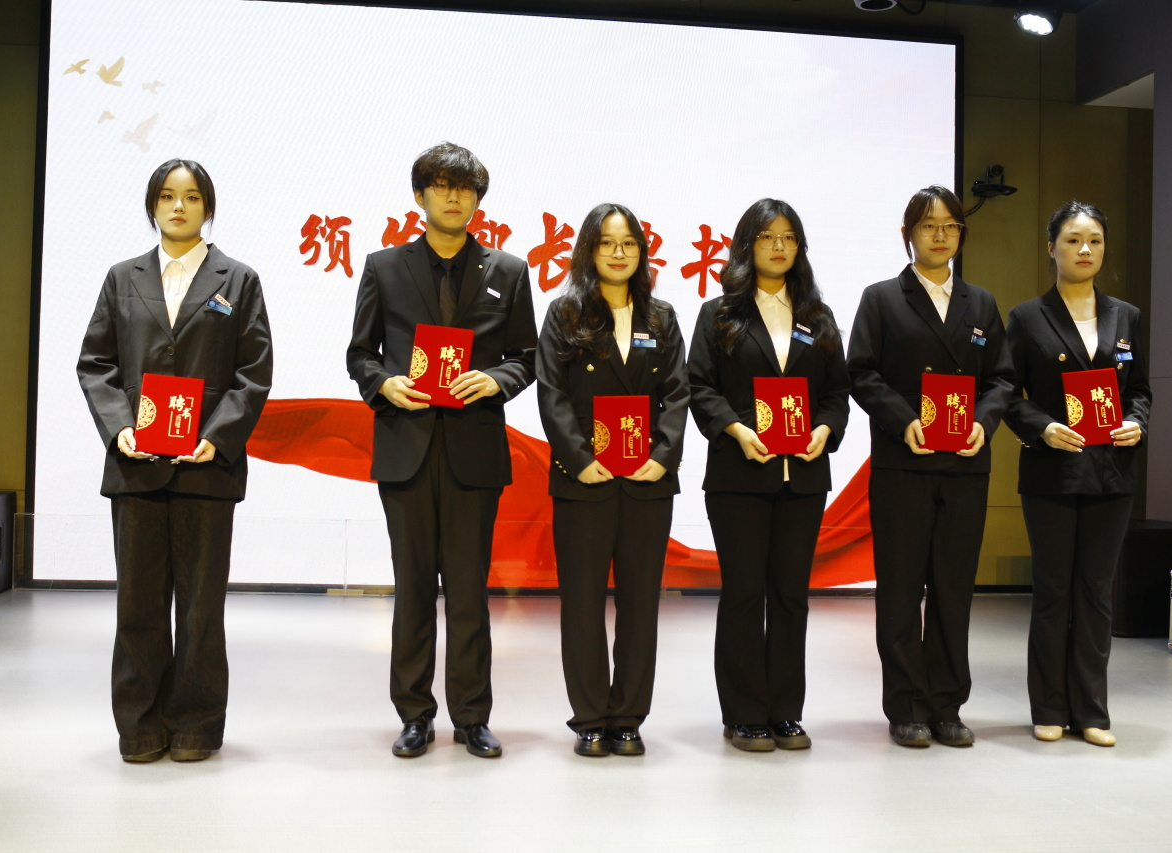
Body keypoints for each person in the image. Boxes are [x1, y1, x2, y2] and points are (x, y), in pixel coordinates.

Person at [77, 159, 273, 763]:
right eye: (166, 196)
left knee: (199, 608)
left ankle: (196, 726)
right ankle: (138, 727)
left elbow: (254, 371)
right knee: (137, 606)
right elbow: (96, 364)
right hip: (136, 466)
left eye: (190, 197)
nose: (178, 207)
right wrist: (120, 429)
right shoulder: (122, 277)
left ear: (207, 207)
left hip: (207, 468)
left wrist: (218, 436)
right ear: (152, 206)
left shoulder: (238, 279)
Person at [347, 142, 537, 759]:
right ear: (420, 196)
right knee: (412, 589)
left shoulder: (508, 271)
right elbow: (360, 354)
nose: (454, 197)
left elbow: (527, 357)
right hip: (406, 446)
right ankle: (414, 715)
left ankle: (473, 716)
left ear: (478, 199)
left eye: (465, 188)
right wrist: (384, 384)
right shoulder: (384, 267)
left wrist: (496, 380)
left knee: (469, 590)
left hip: (473, 449)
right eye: (441, 186)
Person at [847, 185, 1014, 748]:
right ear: (908, 234)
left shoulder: (981, 303)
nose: (940, 235)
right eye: (928, 225)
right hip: (904, 463)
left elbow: (1002, 378)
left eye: (950, 226)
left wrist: (983, 421)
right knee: (899, 589)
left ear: (961, 234)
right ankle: (906, 706)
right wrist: (904, 421)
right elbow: (861, 372)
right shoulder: (881, 299)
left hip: (965, 466)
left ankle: (947, 705)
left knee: (953, 588)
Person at [687, 199, 850, 752]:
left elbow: (836, 393)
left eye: (788, 237)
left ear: (800, 247)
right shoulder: (719, 314)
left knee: (790, 595)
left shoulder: (818, 316)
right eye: (766, 237)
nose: (779, 246)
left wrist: (825, 430)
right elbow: (699, 386)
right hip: (739, 476)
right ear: (746, 245)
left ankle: (785, 711)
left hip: (803, 478)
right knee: (743, 593)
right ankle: (743, 714)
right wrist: (735, 429)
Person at [535, 203, 688, 757]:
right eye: (606, 243)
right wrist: (579, 458)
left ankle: (628, 718)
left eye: (628, 244)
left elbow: (678, 393)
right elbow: (551, 393)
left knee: (641, 604)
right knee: (582, 604)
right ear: (589, 251)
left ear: (642, 252)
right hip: (584, 480)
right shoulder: (566, 313)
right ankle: (589, 719)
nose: (618, 253)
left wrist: (664, 455)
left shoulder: (662, 317)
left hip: (647, 481)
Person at [1003, 201, 1149, 748]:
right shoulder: (1026, 317)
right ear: (1052, 248)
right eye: (1072, 240)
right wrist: (1041, 427)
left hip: (1112, 472)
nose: (1085, 250)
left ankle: (1091, 710)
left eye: (1094, 240)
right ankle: (1048, 707)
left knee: (1095, 593)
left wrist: (1137, 421)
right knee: (1053, 590)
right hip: (1052, 471)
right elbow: (1006, 393)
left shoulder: (1126, 316)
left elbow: (1141, 389)